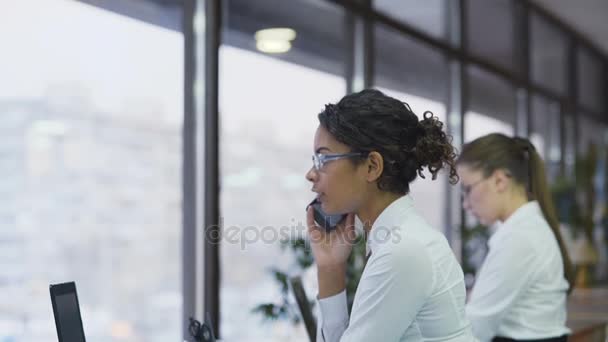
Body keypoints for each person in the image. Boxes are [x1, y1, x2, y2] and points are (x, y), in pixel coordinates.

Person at [305, 89, 475, 342]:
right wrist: (330, 268)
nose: (311, 173)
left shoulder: (402, 251)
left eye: (324, 159)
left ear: (372, 166)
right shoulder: (399, 238)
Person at [457, 133, 575, 342]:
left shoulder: (520, 238)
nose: (466, 204)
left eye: (468, 189)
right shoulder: (523, 228)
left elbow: (475, 329)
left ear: (500, 180)